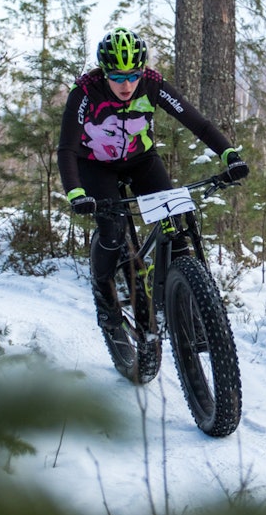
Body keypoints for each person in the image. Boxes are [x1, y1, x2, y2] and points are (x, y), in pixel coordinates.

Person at [57, 26, 249, 331]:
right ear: (104, 72)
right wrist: (76, 192)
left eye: (133, 75)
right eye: (117, 77)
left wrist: (229, 155)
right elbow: (67, 147)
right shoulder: (84, 91)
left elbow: (198, 123)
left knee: (176, 226)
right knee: (113, 230)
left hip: (141, 160)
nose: (126, 84)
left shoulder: (153, 84)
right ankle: (104, 296)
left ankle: (183, 299)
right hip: (96, 165)